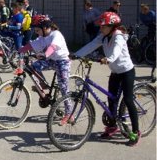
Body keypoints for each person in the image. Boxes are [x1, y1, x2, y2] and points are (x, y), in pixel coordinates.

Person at [75, 12, 140, 146]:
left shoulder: (118, 37)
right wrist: (76, 55)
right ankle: (112, 127)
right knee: (111, 99)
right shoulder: (104, 37)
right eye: (101, 26)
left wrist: (108, 59)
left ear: (112, 26)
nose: (101, 28)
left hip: (127, 71)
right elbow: (91, 45)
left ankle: (135, 131)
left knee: (128, 99)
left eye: (103, 26)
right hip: (115, 72)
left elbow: (115, 52)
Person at [18, 14, 72, 125]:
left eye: (38, 30)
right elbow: (31, 45)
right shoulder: (42, 37)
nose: (36, 32)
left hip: (62, 62)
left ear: (45, 27)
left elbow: (53, 47)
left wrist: (45, 54)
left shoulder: (56, 34)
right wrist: (19, 50)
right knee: (33, 66)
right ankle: (42, 84)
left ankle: (69, 114)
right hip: (51, 60)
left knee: (63, 88)